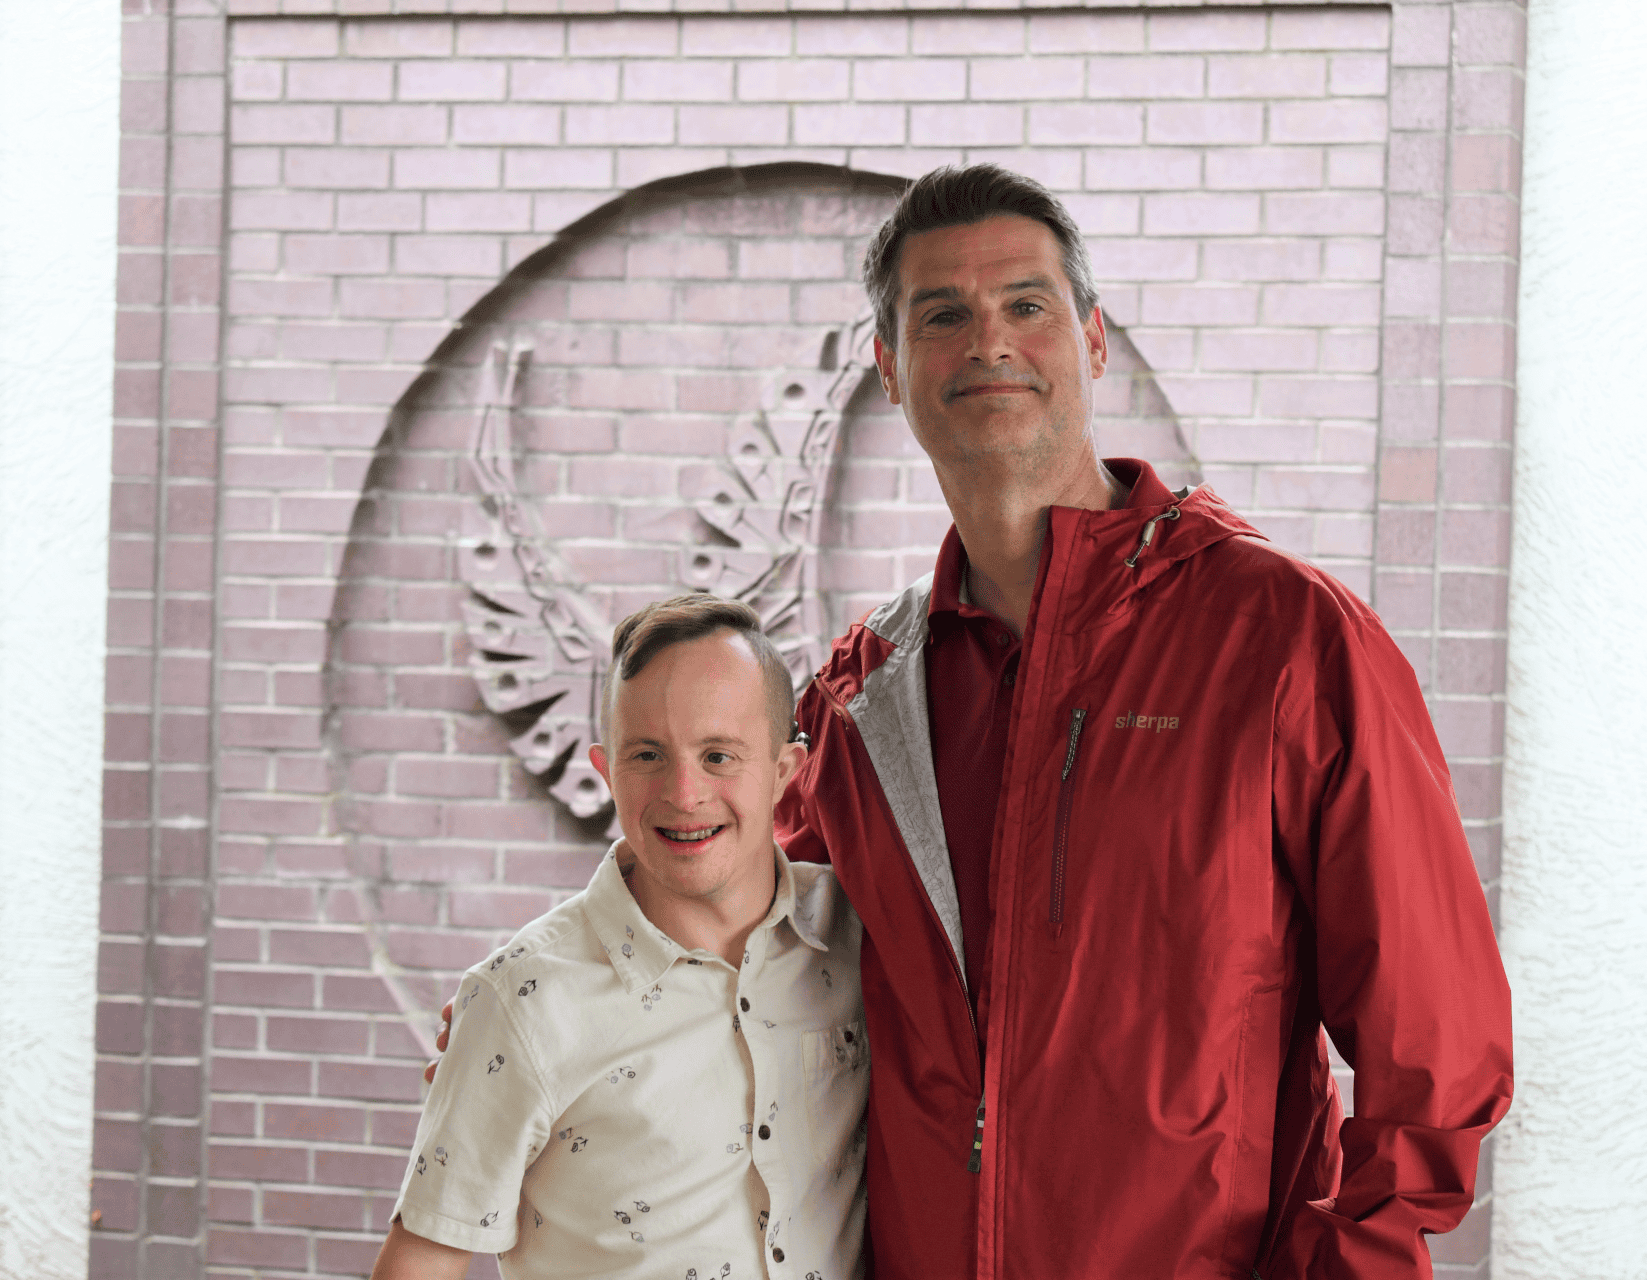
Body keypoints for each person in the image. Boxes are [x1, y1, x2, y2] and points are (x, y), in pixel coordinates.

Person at [766, 164, 1514, 1278]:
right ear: (889, 369)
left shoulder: (1284, 639)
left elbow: (1437, 1050)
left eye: (1027, 304)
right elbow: (748, 958)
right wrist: (556, 1013)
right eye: (942, 315)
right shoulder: (862, 694)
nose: (990, 341)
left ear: (1093, 341)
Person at [377, 596, 867, 1280]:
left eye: (719, 755)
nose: (684, 792)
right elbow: (421, 1262)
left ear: (785, 772)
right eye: (648, 755)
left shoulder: (860, 942)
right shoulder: (522, 999)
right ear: (607, 771)